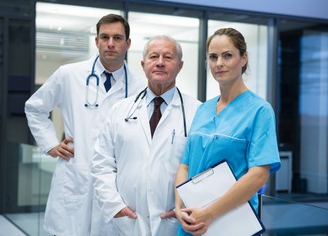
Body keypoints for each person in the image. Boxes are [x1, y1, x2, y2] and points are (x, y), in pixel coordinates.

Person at [24, 14, 145, 236]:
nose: (110, 43)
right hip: (75, 175)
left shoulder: (140, 87)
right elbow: (35, 108)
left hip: (117, 184)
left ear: (128, 43)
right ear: (96, 41)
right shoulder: (69, 74)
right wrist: (51, 144)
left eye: (117, 38)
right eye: (105, 37)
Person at [174, 27, 281, 236]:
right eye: (213, 57)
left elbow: (258, 175)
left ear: (243, 59)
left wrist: (210, 213)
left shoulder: (260, 110)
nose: (219, 63)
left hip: (229, 225)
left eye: (227, 55)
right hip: (193, 222)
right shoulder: (203, 109)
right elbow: (184, 166)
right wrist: (179, 208)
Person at [91, 35, 201, 235]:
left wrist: (187, 205)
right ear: (143, 64)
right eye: (153, 57)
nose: (160, 62)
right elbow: (102, 163)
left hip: (175, 222)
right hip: (127, 221)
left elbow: (203, 169)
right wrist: (114, 205)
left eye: (168, 57)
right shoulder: (120, 110)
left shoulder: (198, 112)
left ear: (180, 65)